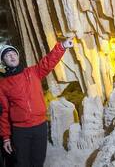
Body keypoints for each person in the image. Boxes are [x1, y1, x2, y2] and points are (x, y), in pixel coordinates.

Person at [0, 38, 74, 167]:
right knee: (22, 163)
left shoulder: (32, 72)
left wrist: (62, 46)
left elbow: (48, 62)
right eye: (7, 55)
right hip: (20, 130)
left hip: (40, 126)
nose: (11, 57)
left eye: (13, 53)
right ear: (3, 62)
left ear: (18, 55)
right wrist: (6, 136)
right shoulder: (3, 84)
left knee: (38, 161)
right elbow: (4, 112)